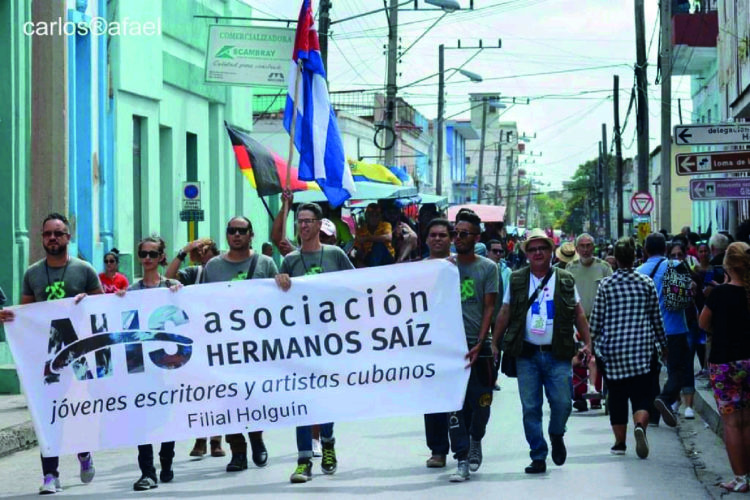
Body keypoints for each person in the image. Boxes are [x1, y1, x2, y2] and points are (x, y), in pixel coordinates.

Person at [0, 213, 101, 494]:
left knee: (77, 409)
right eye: (47, 234)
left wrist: (87, 301)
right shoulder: (32, 273)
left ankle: (83, 451)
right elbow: (26, 314)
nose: (52, 238)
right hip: (46, 359)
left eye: (58, 233)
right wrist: (11, 317)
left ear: (68, 237)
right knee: (48, 414)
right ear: (42, 238)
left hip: (79, 355)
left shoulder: (84, 270)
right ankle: (50, 475)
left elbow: (102, 308)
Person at [493, 228, 591, 475]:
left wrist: (588, 342)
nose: (537, 253)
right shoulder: (516, 279)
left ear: (551, 251)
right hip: (526, 354)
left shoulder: (565, 279)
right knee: (531, 408)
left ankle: (556, 433)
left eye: (542, 248)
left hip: (558, 353)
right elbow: (504, 311)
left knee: (562, 403)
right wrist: (494, 342)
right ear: (526, 254)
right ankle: (538, 454)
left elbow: (578, 313)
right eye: (532, 249)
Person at [273, 202, 355, 484]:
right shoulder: (291, 261)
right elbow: (278, 298)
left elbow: (354, 285)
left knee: (326, 396)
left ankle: (328, 442)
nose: (304, 225)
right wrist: (280, 280)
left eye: (309, 220)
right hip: (299, 341)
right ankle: (304, 460)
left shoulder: (335, 255)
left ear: (320, 224)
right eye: (300, 221)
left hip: (330, 339)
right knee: (301, 399)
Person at [203, 217, 278, 472]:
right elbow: (199, 302)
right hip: (223, 346)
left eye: (241, 231)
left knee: (254, 397)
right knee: (227, 400)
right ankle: (237, 452)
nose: (236, 235)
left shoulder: (266, 264)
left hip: (256, 347)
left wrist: (284, 281)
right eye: (231, 231)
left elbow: (279, 301)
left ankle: (257, 439)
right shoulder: (212, 267)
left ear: (251, 234)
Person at [589, 238, 667, 458]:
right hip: (642, 349)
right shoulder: (645, 283)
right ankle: (640, 426)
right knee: (642, 395)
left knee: (617, 397)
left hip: (613, 351)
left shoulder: (605, 285)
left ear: (614, 258)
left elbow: (596, 321)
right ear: (635, 256)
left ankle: (620, 443)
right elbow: (656, 318)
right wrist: (664, 344)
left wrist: (589, 343)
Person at [117, 236, 183, 491]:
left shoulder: (173, 286)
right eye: (143, 254)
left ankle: (166, 461)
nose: (147, 259)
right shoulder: (131, 292)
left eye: (152, 254)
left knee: (167, 418)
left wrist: (179, 296)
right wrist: (118, 301)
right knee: (141, 419)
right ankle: (147, 471)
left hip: (169, 364)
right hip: (140, 365)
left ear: (161, 257)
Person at [446, 211, 497, 481]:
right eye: (455, 232)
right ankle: (462, 458)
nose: (458, 238)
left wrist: (480, 341)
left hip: (480, 347)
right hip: (450, 349)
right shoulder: (443, 266)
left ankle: (477, 438)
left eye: (463, 234)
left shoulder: (488, 268)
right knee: (454, 405)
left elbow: (489, 307)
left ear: (476, 237)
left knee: (482, 403)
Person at [165, 238, 225, 459]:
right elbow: (169, 277)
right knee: (200, 390)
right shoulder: (194, 273)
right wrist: (183, 251)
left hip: (220, 337)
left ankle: (216, 439)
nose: (200, 251)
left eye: (204, 248)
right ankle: (200, 437)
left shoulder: (223, 269)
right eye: (197, 249)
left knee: (218, 389)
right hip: (196, 337)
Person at [699, 242, 750, 492]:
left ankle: (740, 478)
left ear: (727, 265)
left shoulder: (719, 294)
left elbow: (702, 323)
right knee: (748, 421)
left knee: (732, 423)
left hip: (724, 364)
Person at [637, 232, 692, 428]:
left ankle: (652, 416)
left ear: (645, 250)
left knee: (652, 371)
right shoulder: (676, 266)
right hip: (674, 327)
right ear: (666, 249)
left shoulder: (638, 272)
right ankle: (666, 397)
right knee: (680, 368)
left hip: (648, 330)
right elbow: (689, 295)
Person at [566, 233, 612, 412]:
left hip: (600, 323)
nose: (585, 249)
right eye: (582, 246)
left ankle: (596, 396)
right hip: (577, 322)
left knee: (598, 359)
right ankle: (579, 395)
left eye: (589, 245)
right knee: (579, 357)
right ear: (577, 249)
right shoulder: (570, 268)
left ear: (594, 248)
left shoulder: (604, 268)